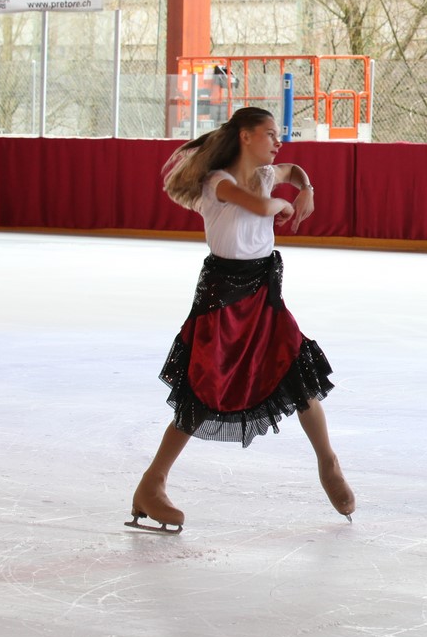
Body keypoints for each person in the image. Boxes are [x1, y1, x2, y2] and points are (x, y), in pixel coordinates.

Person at [128, 107, 355, 532]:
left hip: (264, 292)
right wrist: (284, 202)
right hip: (222, 300)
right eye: (270, 133)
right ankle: (152, 484)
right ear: (245, 137)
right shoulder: (219, 182)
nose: (278, 141)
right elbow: (259, 205)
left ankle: (329, 464)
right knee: (204, 388)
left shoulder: (268, 174)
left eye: (279, 134)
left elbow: (294, 171)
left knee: (296, 373)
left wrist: (306, 188)